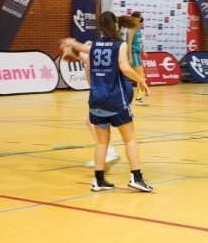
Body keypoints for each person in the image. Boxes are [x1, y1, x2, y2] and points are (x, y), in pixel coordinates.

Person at [60, 12, 153, 192]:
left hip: (96, 100)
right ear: (115, 24)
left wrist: (72, 47)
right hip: (115, 100)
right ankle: (136, 178)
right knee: (130, 140)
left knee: (102, 143)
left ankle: (98, 180)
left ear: (100, 26)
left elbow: (89, 76)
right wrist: (141, 81)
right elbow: (125, 67)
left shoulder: (94, 46)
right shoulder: (120, 44)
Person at [128, 11, 147, 105]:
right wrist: (130, 56)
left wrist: (143, 51)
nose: (141, 18)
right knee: (140, 76)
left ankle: (139, 96)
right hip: (134, 53)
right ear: (136, 18)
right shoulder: (132, 29)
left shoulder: (138, 28)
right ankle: (138, 98)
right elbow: (129, 43)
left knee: (142, 76)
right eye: (140, 17)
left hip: (138, 53)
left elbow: (139, 41)